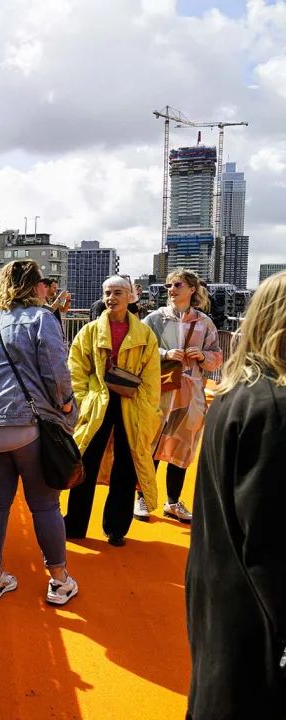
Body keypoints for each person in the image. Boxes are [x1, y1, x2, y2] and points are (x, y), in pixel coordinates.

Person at [186, 271, 286, 718]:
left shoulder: (236, 394)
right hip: (258, 625)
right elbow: (268, 540)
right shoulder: (275, 409)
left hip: (219, 598)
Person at [0, 261, 79, 604]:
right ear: (34, 287)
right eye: (45, 283)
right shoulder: (42, 319)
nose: (49, 288)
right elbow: (57, 371)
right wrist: (67, 405)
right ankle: (59, 582)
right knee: (44, 505)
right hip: (27, 425)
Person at [65, 275, 161, 546]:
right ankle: (75, 523)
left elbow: (152, 377)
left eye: (118, 292)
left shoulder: (144, 334)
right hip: (98, 403)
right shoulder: (90, 331)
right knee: (85, 461)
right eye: (108, 292)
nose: (111, 297)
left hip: (131, 404)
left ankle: (116, 528)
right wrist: (84, 400)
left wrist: (146, 407)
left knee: (126, 465)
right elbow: (76, 368)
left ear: (130, 296)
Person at [139, 269, 222, 523]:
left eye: (177, 285)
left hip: (191, 391)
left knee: (183, 447)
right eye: (168, 286)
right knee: (152, 443)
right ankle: (142, 497)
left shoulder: (204, 322)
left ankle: (172, 502)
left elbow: (216, 357)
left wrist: (203, 356)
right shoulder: (154, 319)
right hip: (160, 389)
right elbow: (139, 350)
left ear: (192, 289)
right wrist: (165, 354)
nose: (171, 290)